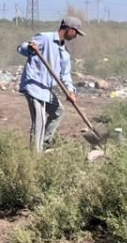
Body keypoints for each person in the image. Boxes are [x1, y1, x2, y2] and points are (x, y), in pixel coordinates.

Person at [19, 16, 84, 153]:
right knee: (40, 122)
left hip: (46, 89)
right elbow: (21, 48)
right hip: (34, 86)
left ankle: (44, 143)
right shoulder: (45, 38)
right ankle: (35, 157)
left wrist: (70, 91)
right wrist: (30, 48)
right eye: (76, 32)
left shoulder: (64, 52)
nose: (76, 36)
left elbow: (65, 75)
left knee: (58, 112)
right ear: (69, 29)